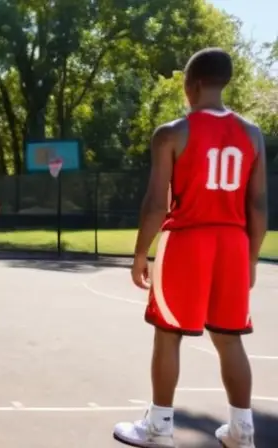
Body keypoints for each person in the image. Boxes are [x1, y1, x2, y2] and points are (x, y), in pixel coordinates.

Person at [113, 48, 268, 448]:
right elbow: (258, 205)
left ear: (191, 84)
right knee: (230, 338)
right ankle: (241, 431)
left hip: (187, 240)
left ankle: (159, 428)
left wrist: (140, 254)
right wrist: (250, 259)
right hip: (233, 243)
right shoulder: (252, 135)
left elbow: (155, 204)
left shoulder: (172, 132)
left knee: (168, 334)